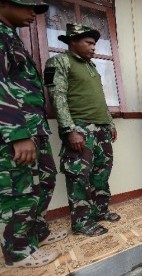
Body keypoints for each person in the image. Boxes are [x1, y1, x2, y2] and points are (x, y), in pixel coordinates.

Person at [0, 0, 67, 268]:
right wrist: (17, 134)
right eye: (29, 7)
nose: (33, 14)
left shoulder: (10, 36)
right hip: (15, 131)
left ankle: (37, 233)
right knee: (19, 189)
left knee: (44, 180)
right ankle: (18, 253)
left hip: (32, 128)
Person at [44, 23, 120, 237]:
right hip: (80, 128)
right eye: (88, 43)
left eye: (95, 43)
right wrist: (70, 130)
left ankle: (100, 211)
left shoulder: (91, 66)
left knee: (101, 172)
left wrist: (109, 123)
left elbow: (100, 99)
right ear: (72, 42)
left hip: (101, 129)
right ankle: (81, 222)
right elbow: (57, 98)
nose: (93, 47)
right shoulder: (59, 62)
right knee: (79, 176)